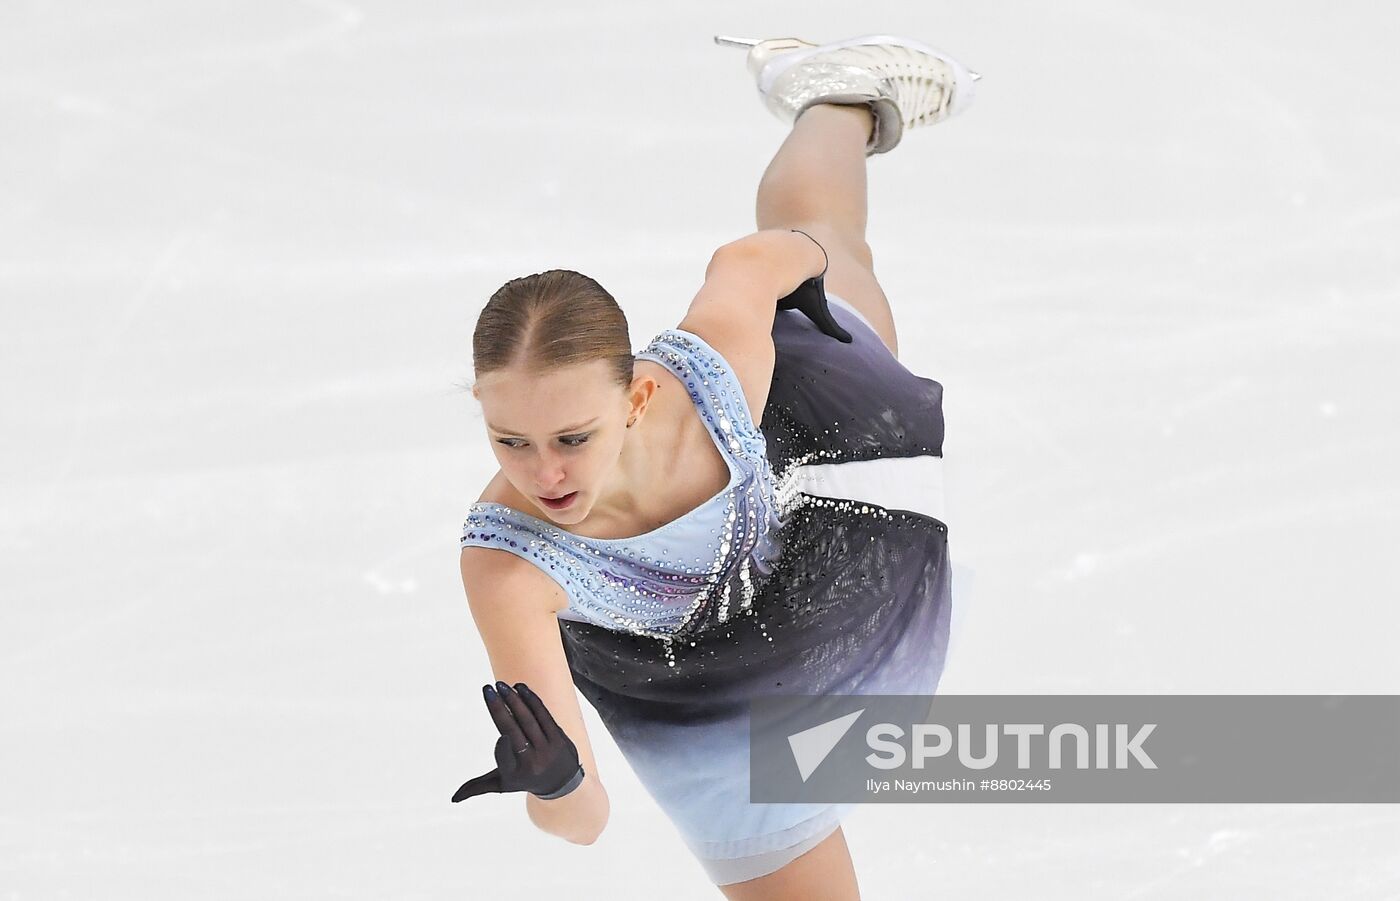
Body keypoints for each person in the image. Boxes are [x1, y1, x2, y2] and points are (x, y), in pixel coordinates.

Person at [451, 33, 979, 900]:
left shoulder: (717, 367)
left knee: (837, 243)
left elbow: (775, 255)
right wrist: (553, 781)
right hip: (711, 698)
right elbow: (583, 822)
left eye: (573, 437)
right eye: (510, 441)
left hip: (824, 474)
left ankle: (836, 95)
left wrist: (814, 270)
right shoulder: (506, 570)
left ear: (635, 400)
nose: (543, 473)